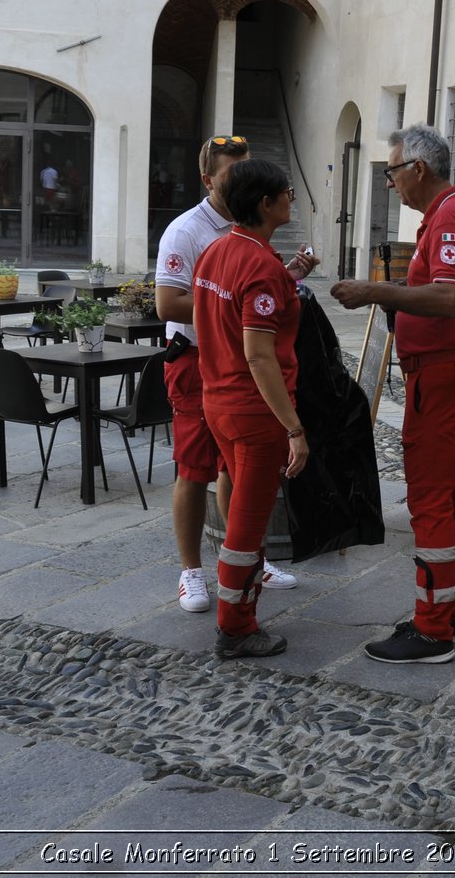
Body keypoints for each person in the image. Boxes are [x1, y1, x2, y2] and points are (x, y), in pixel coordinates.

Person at [330, 124, 455, 664]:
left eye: (393, 171)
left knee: (429, 498)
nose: (390, 182)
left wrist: (373, 291)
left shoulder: (448, 217)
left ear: (418, 169)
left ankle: (431, 629)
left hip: (444, 376)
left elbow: (448, 299)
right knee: (452, 498)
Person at [154, 135, 307, 614]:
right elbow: (167, 303)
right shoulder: (188, 232)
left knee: (230, 472)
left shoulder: (239, 242)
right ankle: (194, 573)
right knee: (194, 468)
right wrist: (294, 428)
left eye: (246, 167)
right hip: (208, 365)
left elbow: (245, 294)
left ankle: (242, 560)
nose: (239, 175)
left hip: (230, 369)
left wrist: (287, 278)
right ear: (209, 180)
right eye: (231, 171)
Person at [191, 158, 310, 658]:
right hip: (253, 411)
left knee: (240, 507)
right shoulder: (259, 265)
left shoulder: (218, 250)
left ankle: (238, 611)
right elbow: (259, 355)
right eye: (286, 191)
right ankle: (236, 626)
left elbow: (225, 311)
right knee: (248, 519)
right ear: (266, 204)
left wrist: (286, 279)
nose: (291, 198)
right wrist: (295, 429)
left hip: (217, 399)